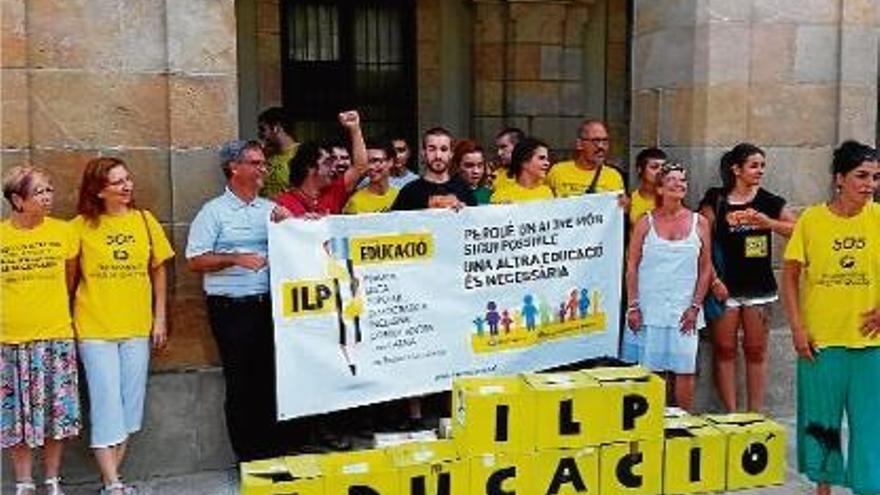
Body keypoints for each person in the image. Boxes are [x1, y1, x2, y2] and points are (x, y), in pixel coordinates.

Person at [782, 141, 880, 495]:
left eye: (875, 177)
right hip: (820, 342)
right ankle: (823, 488)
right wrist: (797, 327)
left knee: (871, 426)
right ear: (839, 178)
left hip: (870, 345)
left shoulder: (879, 218)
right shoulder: (811, 220)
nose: (870, 185)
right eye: (862, 176)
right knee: (822, 423)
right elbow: (790, 275)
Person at [72, 157, 174, 495]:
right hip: (95, 328)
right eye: (117, 182)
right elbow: (70, 278)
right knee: (105, 404)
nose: (126, 186)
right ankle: (114, 485)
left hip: (136, 327)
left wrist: (159, 317)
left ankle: (112, 482)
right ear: (99, 190)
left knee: (131, 407)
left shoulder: (145, 221)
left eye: (127, 179)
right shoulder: (80, 227)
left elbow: (158, 269)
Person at [186, 140, 290, 462]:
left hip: (267, 306)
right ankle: (247, 456)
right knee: (241, 382)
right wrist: (236, 259)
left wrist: (297, 222)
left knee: (269, 378)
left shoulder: (269, 209)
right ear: (234, 167)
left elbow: (297, 242)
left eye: (263, 163)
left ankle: (272, 450)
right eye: (256, 163)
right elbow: (195, 260)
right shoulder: (212, 212)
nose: (263, 169)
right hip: (231, 309)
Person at [698, 143, 796, 412]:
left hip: (759, 287)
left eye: (762, 165)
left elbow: (798, 229)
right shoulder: (716, 199)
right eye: (754, 165)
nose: (760, 171)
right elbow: (701, 239)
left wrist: (768, 223)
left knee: (755, 350)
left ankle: (755, 413)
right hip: (724, 287)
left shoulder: (768, 200)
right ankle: (731, 414)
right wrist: (714, 280)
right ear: (736, 169)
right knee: (725, 350)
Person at [2, 167, 81, 495]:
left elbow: (70, 280)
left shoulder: (64, 232)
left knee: (54, 414)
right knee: (16, 418)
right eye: (39, 192)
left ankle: (51, 479)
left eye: (49, 189)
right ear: (18, 200)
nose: (48, 197)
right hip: (8, 340)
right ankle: (23, 482)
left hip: (54, 336)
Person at [623, 163, 712, 411]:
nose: (678, 184)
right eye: (671, 180)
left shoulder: (700, 223)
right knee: (652, 371)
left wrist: (695, 306)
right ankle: (655, 425)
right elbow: (631, 266)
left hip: (684, 308)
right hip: (649, 308)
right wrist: (633, 306)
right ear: (660, 188)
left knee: (685, 369)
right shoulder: (645, 222)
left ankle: (683, 424)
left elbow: (705, 268)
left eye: (682, 180)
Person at [275, 111, 367, 216]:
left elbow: (361, 167)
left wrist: (355, 128)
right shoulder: (283, 204)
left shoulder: (334, 191)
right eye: (327, 163)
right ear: (310, 167)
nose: (333, 168)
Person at [392, 127, 477, 210]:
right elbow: (393, 221)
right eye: (432, 149)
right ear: (423, 153)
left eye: (444, 149)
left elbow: (475, 221)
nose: (438, 156)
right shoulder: (409, 192)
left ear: (451, 154)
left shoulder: (463, 189)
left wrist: (464, 211)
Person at [546, 119, 625, 197]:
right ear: (579, 144)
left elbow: (620, 206)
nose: (601, 146)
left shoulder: (614, 176)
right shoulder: (557, 172)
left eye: (605, 141)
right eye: (596, 141)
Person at [490, 137, 554, 204]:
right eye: (541, 158)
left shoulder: (547, 193)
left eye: (547, 159)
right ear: (523, 161)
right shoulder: (501, 196)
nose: (547, 163)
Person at [343, 139, 399, 214]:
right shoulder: (355, 202)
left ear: (390, 162)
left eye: (375, 160)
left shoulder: (399, 196)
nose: (370, 167)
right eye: (367, 162)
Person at [258, 106, 300, 199]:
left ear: (276, 128)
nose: (260, 135)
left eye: (263, 129)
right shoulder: (265, 156)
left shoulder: (301, 154)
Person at [629, 147, 666, 225]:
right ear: (640, 169)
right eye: (654, 167)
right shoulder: (630, 201)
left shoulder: (671, 199)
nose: (660, 171)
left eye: (664, 167)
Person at [451, 139, 491, 205]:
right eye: (469, 166)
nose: (476, 171)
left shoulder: (490, 194)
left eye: (480, 165)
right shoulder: (447, 193)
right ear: (457, 167)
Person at [492, 127, 526, 191]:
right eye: (498, 148)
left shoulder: (537, 174)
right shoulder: (495, 177)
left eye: (503, 147)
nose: (499, 153)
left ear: (518, 147)